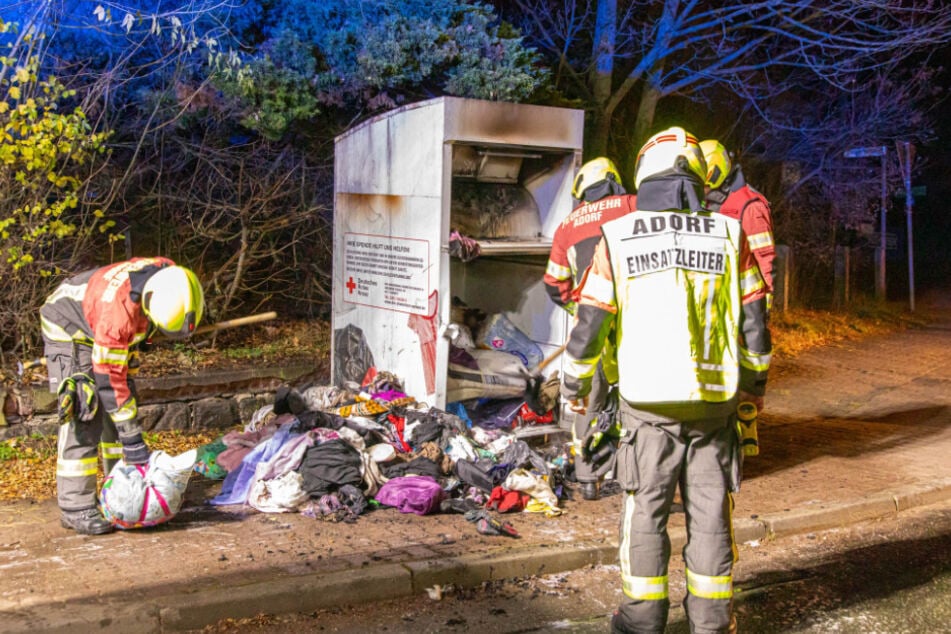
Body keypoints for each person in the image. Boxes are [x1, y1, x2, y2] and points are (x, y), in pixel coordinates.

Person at [561, 127, 771, 633]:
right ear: (699, 177)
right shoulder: (731, 235)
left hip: (647, 410)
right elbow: (755, 322)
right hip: (714, 408)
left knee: (646, 515)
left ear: (644, 174)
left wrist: (574, 387)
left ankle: (642, 621)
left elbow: (590, 324)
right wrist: (754, 387)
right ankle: (712, 622)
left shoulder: (618, 238)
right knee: (712, 517)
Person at [40, 257, 204, 535]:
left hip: (102, 319)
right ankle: (75, 507)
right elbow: (109, 381)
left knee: (120, 409)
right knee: (86, 409)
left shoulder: (172, 279)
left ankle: (121, 490)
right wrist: (133, 438)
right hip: (69, 327)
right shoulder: (116, 317)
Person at [543, 157, 636, 500]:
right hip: (631, 322)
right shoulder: (633, 205)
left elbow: (554, 283)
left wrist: (579, 308)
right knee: (633, 399)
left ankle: (587, 478)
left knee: (588, 402)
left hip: (591, 328)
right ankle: (631, 476)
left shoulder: (567, 226)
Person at [700, 139, 776, 319]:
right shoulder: (705, 202)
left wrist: (763, 307)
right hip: (713, 302)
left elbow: (765, 259)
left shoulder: (749, 205)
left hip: (744, 304)